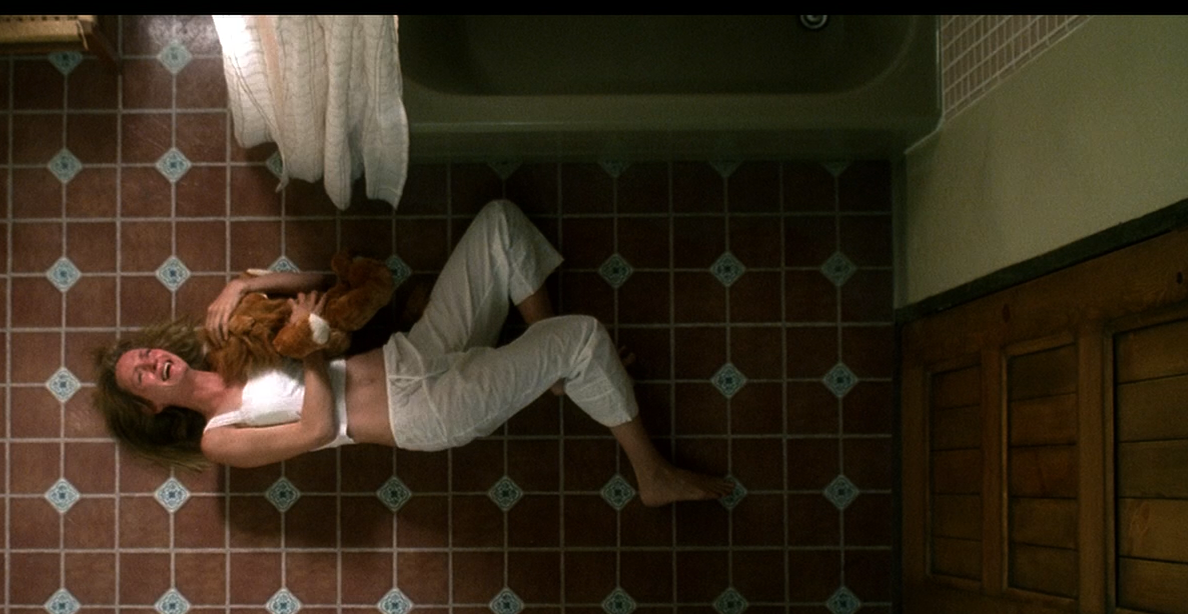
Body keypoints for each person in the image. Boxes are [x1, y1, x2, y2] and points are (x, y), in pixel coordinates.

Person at [92, 200, 733, 506]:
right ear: (151, 407)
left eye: (145, 353)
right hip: (421, 412)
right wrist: (310, 349)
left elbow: (329, 284)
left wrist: (244, 284)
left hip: (414, 353)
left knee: (499, 225)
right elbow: (316, 429)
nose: (152, 363)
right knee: (582, 336)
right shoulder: (218, 439)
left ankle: (556, 373)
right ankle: (651, 473)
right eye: (141, 376)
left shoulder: (226, 341)